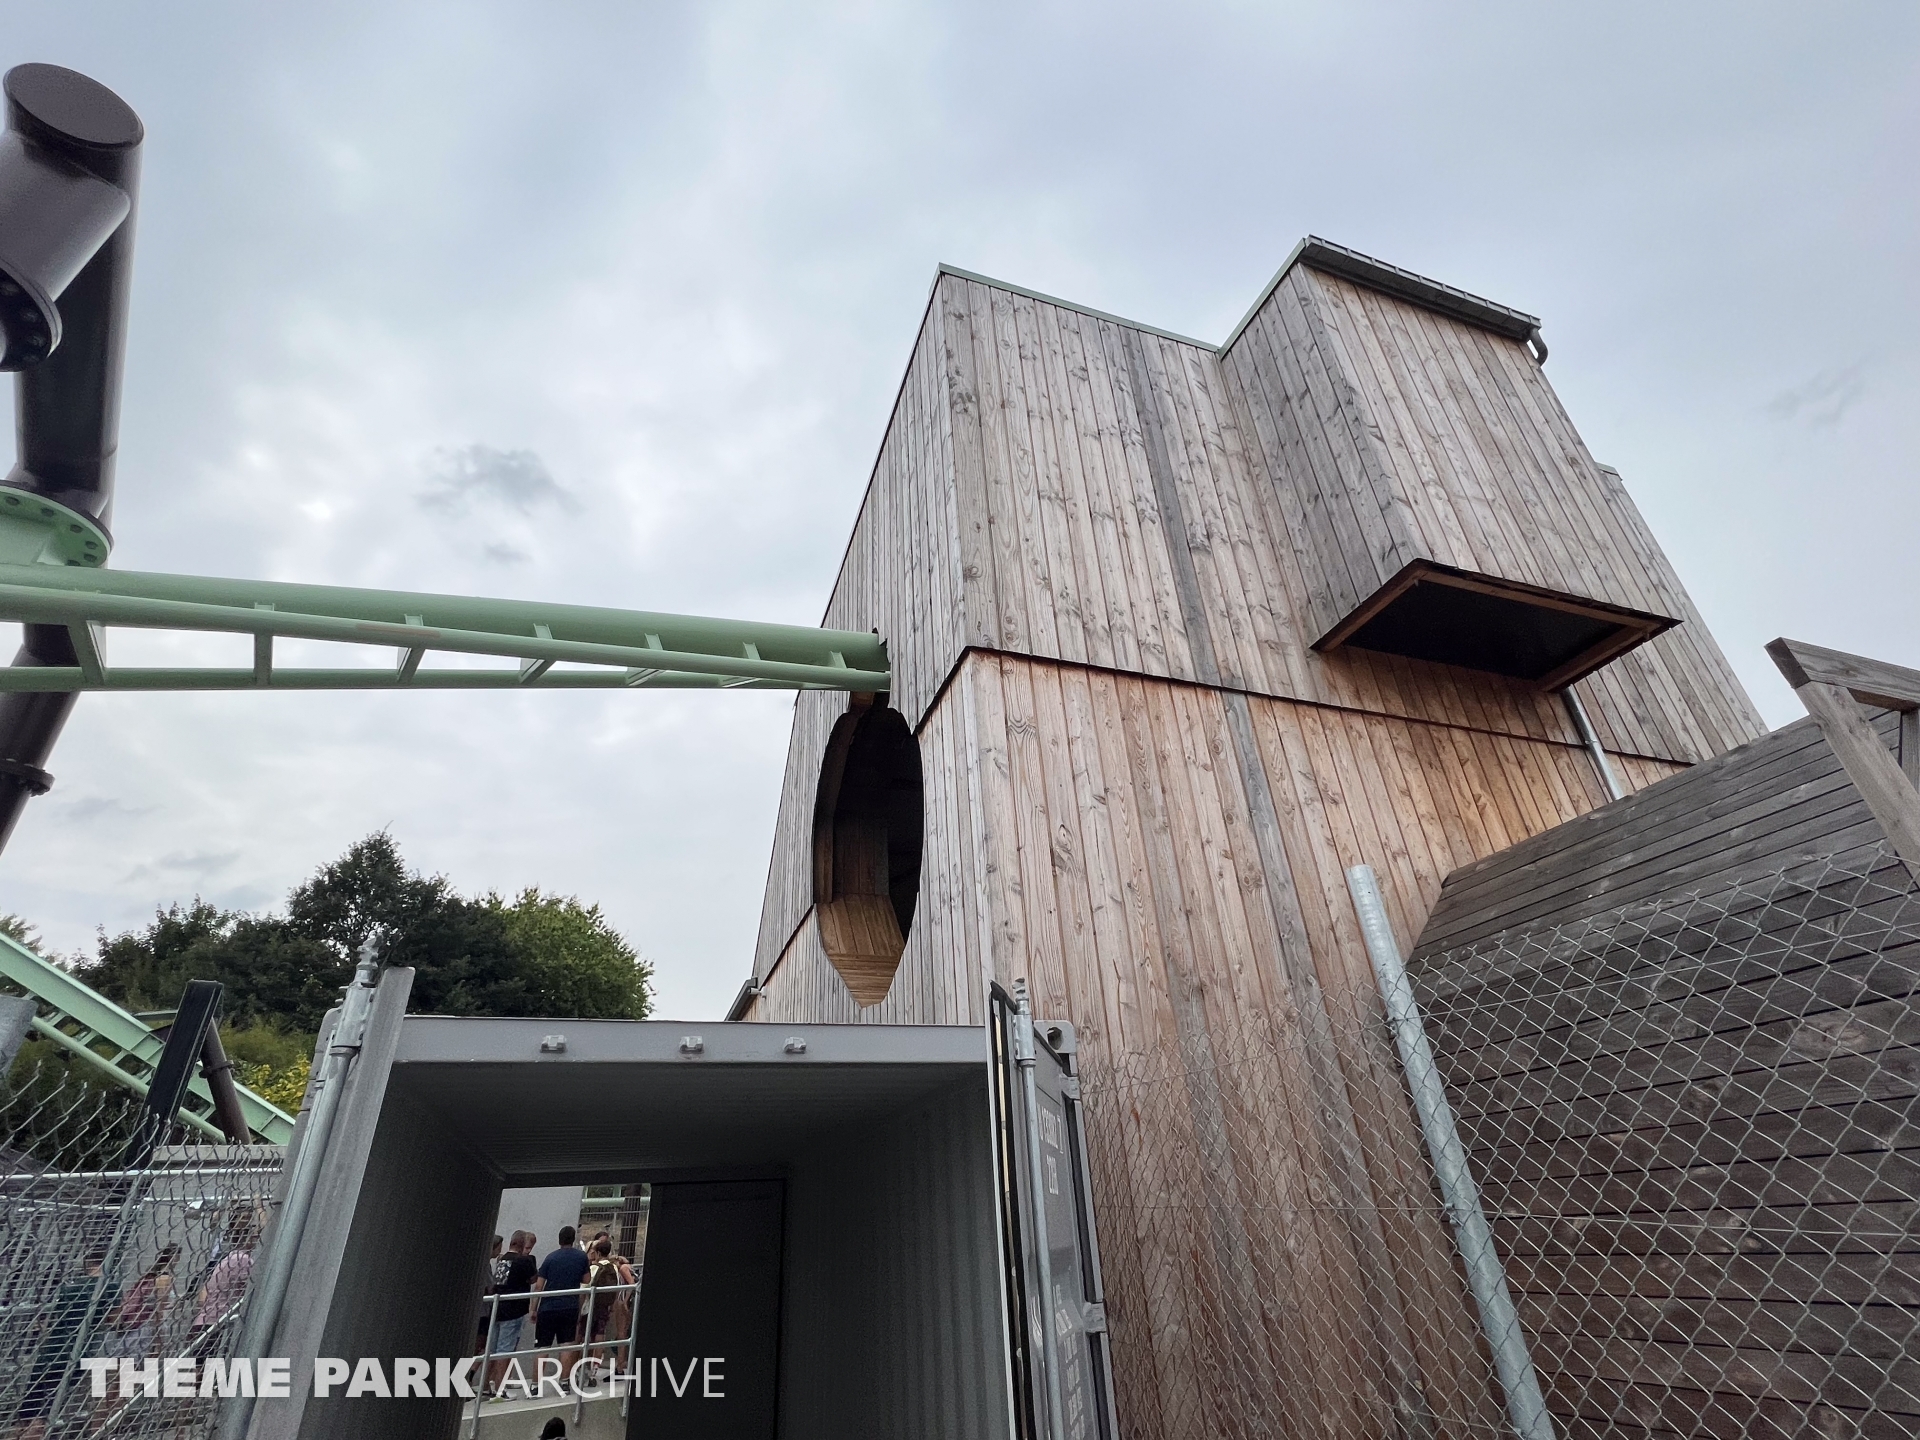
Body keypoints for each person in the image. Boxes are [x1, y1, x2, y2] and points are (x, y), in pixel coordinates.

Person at [17, 1246, 120, 1440]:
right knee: (50, 1406)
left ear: (87, 1263)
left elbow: (55, 1318)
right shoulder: (111, 1287)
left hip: (53, 1349)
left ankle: (22, 1430)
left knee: (30, 1406)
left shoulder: (69, 1287)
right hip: (80, 1352)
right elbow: (114, 1320)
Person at [532, 1226, 591, 1371]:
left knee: (542, 1347)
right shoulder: (581, 1257)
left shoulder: (550, 1258)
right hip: (570, 1306)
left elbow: (539, 1286)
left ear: (559, 1240)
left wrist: (533, 1309)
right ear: (573, 1239)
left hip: (547, 1307)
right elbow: (586, 1280)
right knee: (566, 1345)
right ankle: (564, 1380)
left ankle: (536, 1382)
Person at [487, 1231, 539, 1395]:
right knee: (505, 1350)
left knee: (494, 1349)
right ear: (521, 1244)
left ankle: (489, 1385)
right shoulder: (523, 1260)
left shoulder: (502, 1260)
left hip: (498, 1309)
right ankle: (500, 1390)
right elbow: (534, 1279)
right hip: (513, 1311)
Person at [192, 1214, 258, 1337]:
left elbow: (202, 1298)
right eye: (253, 1236)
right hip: (217, 1323)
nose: (255, 1239)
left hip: (204, 1320)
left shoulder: (227, 1259)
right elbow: (253, 1288)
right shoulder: (243, 1259)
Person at [476, 1234, 504, 1355]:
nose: (499, 1252)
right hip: (482, 1311)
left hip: (480, 1310)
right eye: (498, 1248)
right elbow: (490, 1287)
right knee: (480, 1342)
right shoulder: (485, 1265)